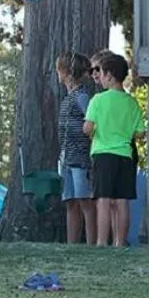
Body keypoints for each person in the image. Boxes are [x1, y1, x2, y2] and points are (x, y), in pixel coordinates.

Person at [83, 51, 143, 248]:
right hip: (125, 155)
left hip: (103, 154)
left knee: (103, 200)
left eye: (100, 72)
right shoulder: (132, 103)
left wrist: (95, 132)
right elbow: (139, 133)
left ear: (109, 75)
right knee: (122, 200)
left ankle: (101, 241)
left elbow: (88, 128)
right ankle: (120, 241)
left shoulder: (98, 100)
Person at [54, 52, 97, 244]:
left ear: (67, 73)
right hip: (67, 156)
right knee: (70, 200)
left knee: (84, 200)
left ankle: (92, 241)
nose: (57, 73)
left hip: (80, 156)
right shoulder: (67, 98)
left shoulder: (81, 96)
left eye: (59, 70)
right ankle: (72, 243)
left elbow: (91, 119)